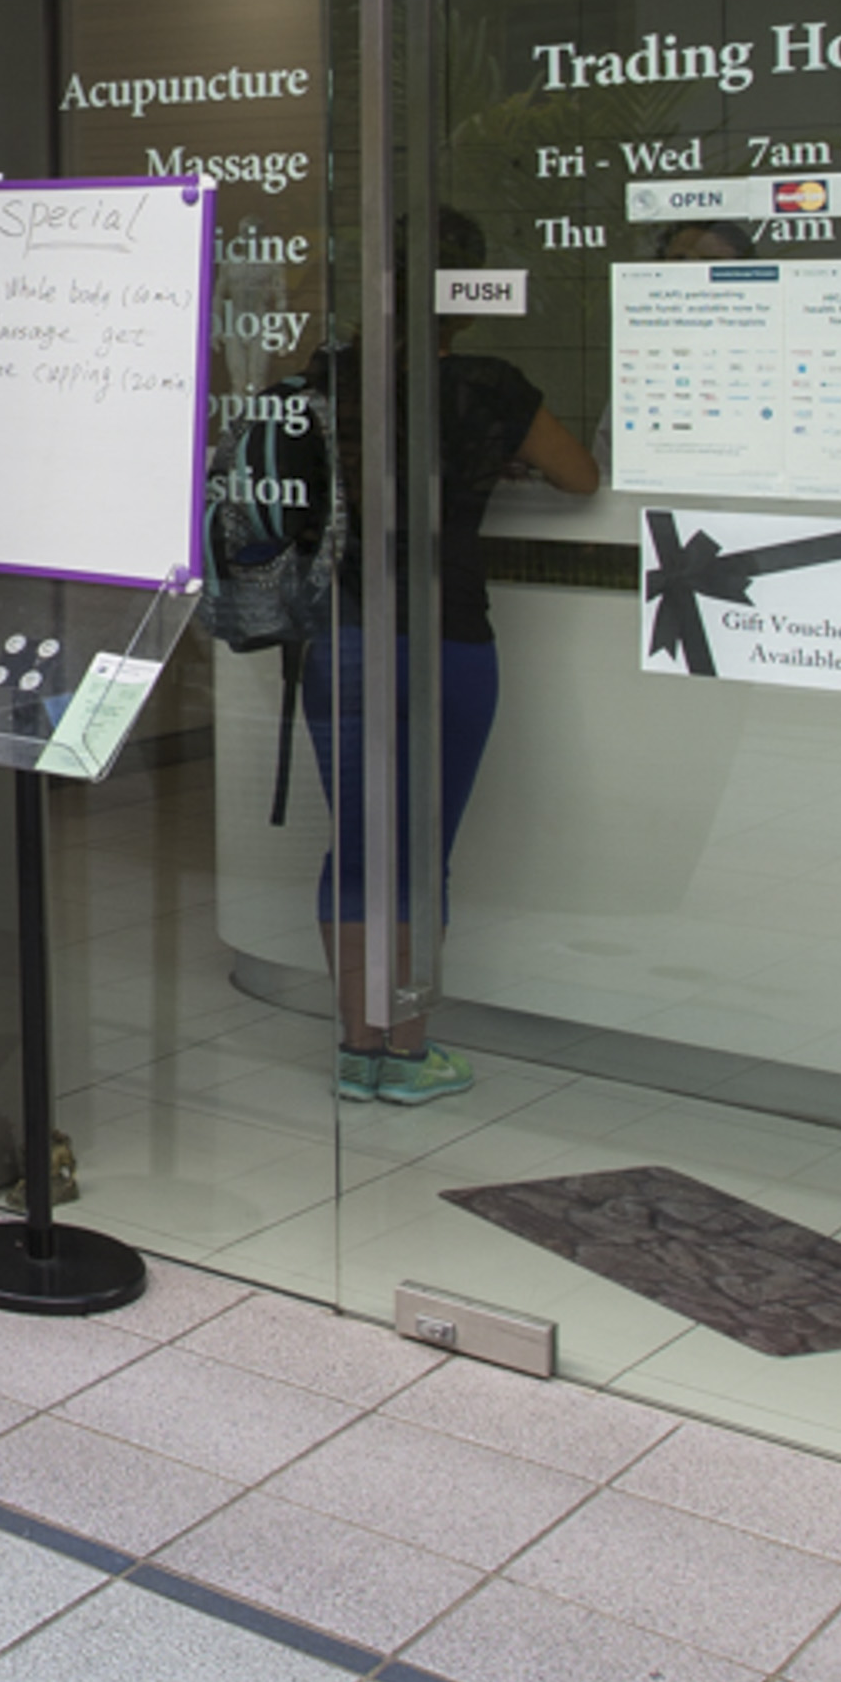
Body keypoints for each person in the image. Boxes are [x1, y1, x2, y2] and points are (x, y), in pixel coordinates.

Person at [301, 206, 600, 1103]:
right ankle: (407, 1048)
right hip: (447, 635)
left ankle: (358, 1047)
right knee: (417, 850)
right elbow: (579, 476)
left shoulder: (329, 377)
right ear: (461, 298)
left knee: (356, 843)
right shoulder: (487, 386)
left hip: (338, 631)